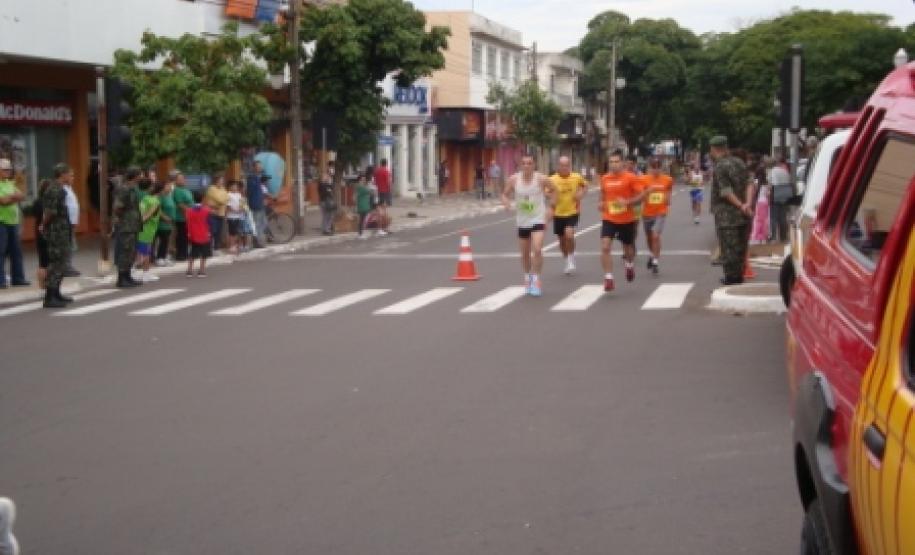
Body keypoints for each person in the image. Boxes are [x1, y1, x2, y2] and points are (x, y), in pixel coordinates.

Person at [501, 154, 554, 297]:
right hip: (522, 220)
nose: (526, 166)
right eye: (523, 163)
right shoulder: (513, 180)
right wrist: (506, 202)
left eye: (529, 163)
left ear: (534, 165)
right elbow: (504, 194)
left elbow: (555, 191)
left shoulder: (541, 179)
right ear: (520, 166)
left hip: (538, 218)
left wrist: (551, 208)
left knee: (537, 249)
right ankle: (527, 277)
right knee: (525, 254)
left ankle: (536, 279)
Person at [709, 135, 753, 285]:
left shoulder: (720, 166)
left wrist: (740, 205)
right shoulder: (739, 162)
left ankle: (731, 279)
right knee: (741, 246)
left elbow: (726, 191)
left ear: (714, 149)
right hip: (744, 214)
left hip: (727, 215)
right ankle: (739, 276)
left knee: (729, 248)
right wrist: (747, 203)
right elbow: (750, 183)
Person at [599, 151, 645, 291]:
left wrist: (628, 202)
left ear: (622, 163)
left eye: (616, 161)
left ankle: (629, 265)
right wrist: (601, 203)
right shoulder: (605, 178)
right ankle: (608, 278)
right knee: (605, 246)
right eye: (611, 162)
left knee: (628, 249)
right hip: (609, 218)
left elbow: (642, 196)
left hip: (626, 219)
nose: (614, 164)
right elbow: (602, 196)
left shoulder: (630, 178)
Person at [38, 164, 76, 307]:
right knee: (56, 263)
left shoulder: (59, 189)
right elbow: (50, 212)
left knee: (61, 262)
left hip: (62, 230)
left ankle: (56, 293)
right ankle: (50, 296)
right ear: (62, 174)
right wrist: (44, 224)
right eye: (69, 173)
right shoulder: (55, 190)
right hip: (56, 232)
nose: (71, 176)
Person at [549, 155, 587, 275]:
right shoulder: (552, 179)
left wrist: (581, 193)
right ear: (558, 166)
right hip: (558, 213)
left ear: (569, 166)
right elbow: (547, 191)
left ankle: (571, 258)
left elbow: (585, 185)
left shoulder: (576, 177)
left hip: (572, 211)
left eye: (566, 165)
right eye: (562, 165)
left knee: (569, 235)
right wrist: (550, 198)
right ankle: (567, 260)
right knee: (561, 241)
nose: (564, 168)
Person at [639, 157, 674, 274]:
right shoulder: (643, 180)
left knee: (655, 236)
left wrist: (667, 198)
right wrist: (646, 192)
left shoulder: (667, 180)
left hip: (661, 212)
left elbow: (668, 196)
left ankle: (655, 261)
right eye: (653, 167)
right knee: (649, 237)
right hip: (647, 213)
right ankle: (652, 254)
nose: (656, 170)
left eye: (658, 167)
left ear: (661, 168)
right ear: (649, 168)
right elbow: (640, 196)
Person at [0, 158, 29, 288]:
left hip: (13, 221)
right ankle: (1, 280)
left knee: (16, 251)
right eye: (5, 170)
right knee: (1, 251)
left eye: (9, 169)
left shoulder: (9, 183)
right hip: (2, 221)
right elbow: (3, 201)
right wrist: (14, 197)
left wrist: (11, 197)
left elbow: (22, 196)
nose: (8, 172)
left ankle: (18, 278)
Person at [112, 167, 143, 288]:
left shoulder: (133, 189)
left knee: (131, 252)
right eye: (139, 174)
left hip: (133, 225)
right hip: (126, 225)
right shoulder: (124, 189)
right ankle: (121, 278)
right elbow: (117, 207)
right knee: (124, 251)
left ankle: (128, 276)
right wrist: (124, 218)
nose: (141, 177)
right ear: (135, 176)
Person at [136, 179, 161, 283]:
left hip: (144, 230)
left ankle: (139, 272)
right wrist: (148, 215)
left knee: (140, 251)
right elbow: (145, 216)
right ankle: (145, 274)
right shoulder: (154, 201)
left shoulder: (144, 199)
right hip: (147, 230)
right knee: (146, 252)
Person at [185, 190, 211, 278]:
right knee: (204, 253)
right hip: (204, 234)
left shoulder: (189, 210)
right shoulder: (206, 210)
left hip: (193, 234)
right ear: (203, 199)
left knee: (193, 252)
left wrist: (189, 233)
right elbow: (209, 223)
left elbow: (188, 223)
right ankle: (201, 270)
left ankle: (189, 270)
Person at [32, 179, 52, 288]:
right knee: (47, 259)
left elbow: (35, 215)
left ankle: (42, 285)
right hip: (46, 232)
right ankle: (45, 284)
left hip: (39, 232)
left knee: (42, 260)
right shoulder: (48, 203)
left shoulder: (37, 202)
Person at [768, 157, 792, 242]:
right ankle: (783, 236)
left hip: (776, 190)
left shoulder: (772, 171)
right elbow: (789, 181)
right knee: (783, 216)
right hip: (785, 191)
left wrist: (769, 195)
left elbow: (771, 184)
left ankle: (773, 236)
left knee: (773, 216)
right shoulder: (785, 171)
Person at [170, 170, 193, 261]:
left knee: (186, 236)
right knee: (181, 236)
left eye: (183, 178)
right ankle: (180, 254)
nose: (183, 180)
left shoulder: (186, 189)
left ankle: (185, 253)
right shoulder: (177, 190)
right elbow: (180, 204)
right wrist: (190, 211)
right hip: (181, 217)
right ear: (176, 181)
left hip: (189, 217)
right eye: (180, 179)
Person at [62, 172, 81, 277]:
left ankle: (68, 265)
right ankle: (66, 266)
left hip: (72, 222)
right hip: (66, 222)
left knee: (71, 245)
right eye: (70, 176)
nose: (72, 178)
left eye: (73, 176)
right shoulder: (63, 189)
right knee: (68, 245)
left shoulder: (70, 189)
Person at [245, 160, 268, 247]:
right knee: (257, 223)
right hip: (255, 203)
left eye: (260, 166)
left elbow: (262, 189)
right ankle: (257, 242)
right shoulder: (251, 178)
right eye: (258, 166)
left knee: (264, 223)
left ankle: (257, 240)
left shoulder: (260, 177)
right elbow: (250, 191)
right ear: (254, 168)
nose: (260, 168)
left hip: (261, 202)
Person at [205, 173, 229, 252]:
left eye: (222, 180)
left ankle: (216, 248)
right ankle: (209, 248)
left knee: (218, 231)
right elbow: (220, 199)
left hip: (221, 213)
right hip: (212, 213)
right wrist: (222, 200)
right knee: (212, 230)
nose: (222, 182)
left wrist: (222, 200)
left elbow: (226, 198)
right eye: (220, 180)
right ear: (216, 181)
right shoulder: (211, 188)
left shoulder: (223, 189)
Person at [154, 177, 176, 266]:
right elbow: (156, 209)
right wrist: (164, 217)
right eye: (168, 185)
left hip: (169, 223)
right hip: (162, 223)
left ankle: (164, 256)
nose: (170, 187)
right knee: (163, 240)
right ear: (163, 187)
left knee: (166, 241)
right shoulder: (160, 197)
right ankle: (159, 258)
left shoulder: (169, 196)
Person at [225, 180, 246, 254]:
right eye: (233, 186)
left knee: (237, 231)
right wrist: (235, 211)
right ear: (230, 187)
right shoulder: (228, 194)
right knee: (232, 232)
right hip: (231, 216)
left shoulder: (239, 194)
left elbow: (242, 203)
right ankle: (231, 245)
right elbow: (228, 206)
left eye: (236, 186)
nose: (235, 187)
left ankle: (237, 244)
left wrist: (242, 208)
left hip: (239, 216)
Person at [372, 159, 392, 236]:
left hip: (377, 192)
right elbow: (388, 182)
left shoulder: (376, 171)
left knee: (378, 210)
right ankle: (385, 228)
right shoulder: (386, 171)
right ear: (386, 164)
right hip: (384, 192)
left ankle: (379, 228)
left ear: (380, 163)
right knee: (384, 210)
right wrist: (389, 191)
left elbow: (374, 181)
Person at [355, 171, 375, 239]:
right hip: (362, 204)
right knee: (362, 219)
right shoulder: (360, 186)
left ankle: (361, 233)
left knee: (363, 219)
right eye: (362, 179)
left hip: (363, 204)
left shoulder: (361, 186)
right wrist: (372, 188)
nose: (364, 180)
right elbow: (370, 192)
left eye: (364, 179)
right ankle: (360, 233)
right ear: (360, 179)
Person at [318, 163, 336, 236]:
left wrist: (329, 183)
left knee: (329, 215)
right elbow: (326, 191)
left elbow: (331, 188)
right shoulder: (321, 185)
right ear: (322, 177)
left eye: (327, 176)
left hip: (327, 201)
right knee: (326, 216)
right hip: (324, 201)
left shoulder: (327, 184)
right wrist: (328, 185)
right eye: (325, 176)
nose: (326, 177)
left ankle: (327, 229)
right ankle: (326, 230)